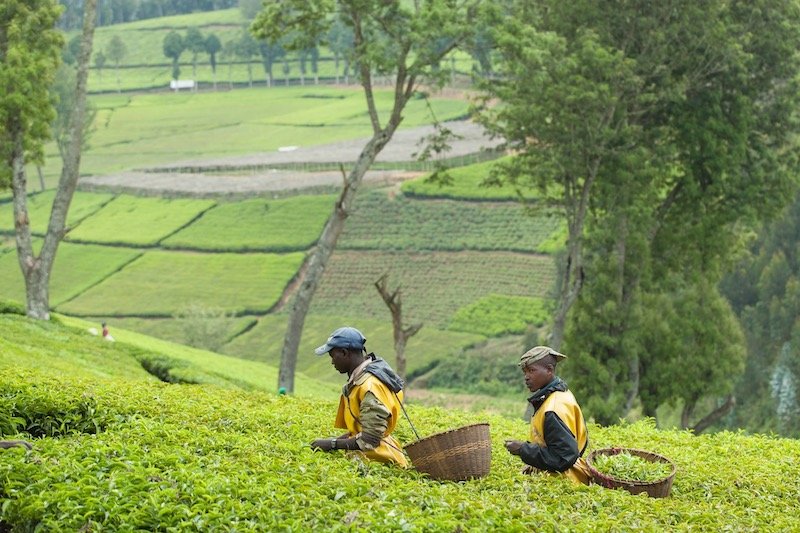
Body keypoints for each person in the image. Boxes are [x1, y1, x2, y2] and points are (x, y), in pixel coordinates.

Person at [310, 326, 409, 467]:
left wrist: (332, 444)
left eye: (333, 356)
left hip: (380, 461)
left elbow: (370, 440)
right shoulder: (362, 380)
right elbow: (358, 431)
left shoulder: (369, 386)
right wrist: (331, 441)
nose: (332, 362)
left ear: (344, 353)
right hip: (372, 457)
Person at [504, 345, 591, 484]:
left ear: (549, 370)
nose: (526, 377)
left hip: (564, 483)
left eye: (531, 371)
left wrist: (522, 449)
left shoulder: (553, 408)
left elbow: (563, 457)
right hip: (565, 479)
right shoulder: (560, 394)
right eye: (525, 372)